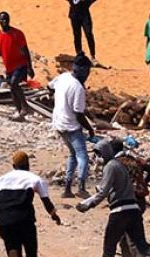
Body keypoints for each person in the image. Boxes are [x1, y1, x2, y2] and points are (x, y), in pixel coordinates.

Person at [76, 139, 150, 257]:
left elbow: (102, 192)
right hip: (135, 208)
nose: (97, 158)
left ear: (106, 152)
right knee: (139, 244)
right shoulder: (126, 164)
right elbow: (149, 171)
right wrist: (144, 183)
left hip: (120, 211)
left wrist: (87, 205)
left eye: (99, 154)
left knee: (109, 250)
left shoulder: (111, 166)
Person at [114, 138, 150, 257]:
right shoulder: (134, 160)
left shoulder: (116, 164)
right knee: (124, 241)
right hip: (140, 201)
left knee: (132, 242)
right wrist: (144, 182)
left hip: (127, 203)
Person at [51, 54, 95, 199]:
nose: (88, 75)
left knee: (72, 154)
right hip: (71, 126)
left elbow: (49, 87)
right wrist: (89, 128)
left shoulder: (63, 77)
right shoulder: (78, 88)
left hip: (58, 123)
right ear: (81, 70)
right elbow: (78, 113)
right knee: (83, 156)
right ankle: (81, 187)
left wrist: (60, 101)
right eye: (88, 71)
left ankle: (67, 188)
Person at [0, 12, 34, 122]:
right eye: (2, 20)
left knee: (14, 83)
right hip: (9, 67)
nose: (4, 21)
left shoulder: (17, 33)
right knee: (12, 88)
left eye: (6, 19)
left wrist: (30, 67)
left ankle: (25, 107)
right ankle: (19, 111)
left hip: (20, 65)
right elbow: (0, 52)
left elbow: (25, 50)